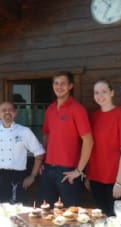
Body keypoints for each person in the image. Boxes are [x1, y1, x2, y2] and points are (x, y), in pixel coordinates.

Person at [85, 80, 121, 216]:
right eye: (96, 92)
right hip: (96, 178)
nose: (100, 95)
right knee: (101, 219)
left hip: (115, 180)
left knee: (116, 220)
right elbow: (90, 148)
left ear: (112, 93)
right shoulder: (94, 116)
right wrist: (88, 176)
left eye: (104, 91)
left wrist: (119, 182)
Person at [41, 71, 93, 207]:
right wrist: (43, 163)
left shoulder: (77, 109)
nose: (59, 87)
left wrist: (79, 171)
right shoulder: (50, 109)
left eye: (63, 84)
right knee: (47, 212)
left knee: (70, 214)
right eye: (56, 83)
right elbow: (46, 136)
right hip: (48, 169)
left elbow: (88, 141)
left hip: (68, 171)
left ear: (70, 86)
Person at [0, 102, 45, 203]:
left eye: (10, 110)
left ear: (15, 113)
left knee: (18, 211)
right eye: (4, 110)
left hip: (17, 178)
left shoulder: (24, 132)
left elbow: (39, 152)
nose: (7, 112)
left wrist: (32, 176)